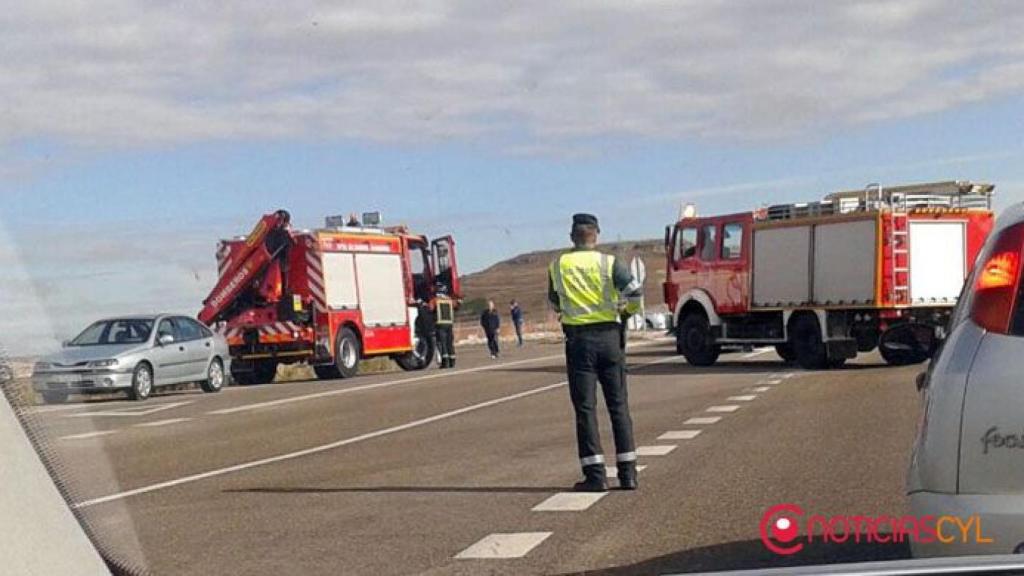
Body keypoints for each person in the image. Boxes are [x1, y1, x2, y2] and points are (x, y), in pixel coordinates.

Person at [548, 213, 643, 492]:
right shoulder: (609, 263)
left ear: (571, 237)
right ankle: (628, 474)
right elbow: (635, 292)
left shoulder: (558, 265)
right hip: (610, 338)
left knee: (586, 409)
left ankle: (596, 475)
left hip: (579, 342)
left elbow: (554, 300)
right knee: (618, 405)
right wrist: (625, 313)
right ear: (596, 236)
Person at [435, 293, 456, 368]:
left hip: (441, 325)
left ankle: (445, 362)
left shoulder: (436, 300)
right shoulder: (450, 301)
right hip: (449, 324)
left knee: (442, 344)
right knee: (450, 343)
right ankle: (452, 361)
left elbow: (431, 308)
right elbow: (455, 307)